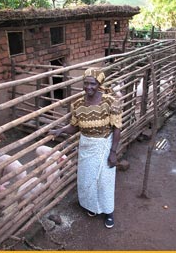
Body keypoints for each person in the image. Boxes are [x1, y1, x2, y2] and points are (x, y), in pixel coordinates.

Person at [48, 68, 122, 228]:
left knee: (104, 181)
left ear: (99, 84)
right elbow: (75, 127)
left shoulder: (110, 101)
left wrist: (113, 152)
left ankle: (108, 212)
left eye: (93, 83)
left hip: (104, 145)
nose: (89, 87)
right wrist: (61, 130)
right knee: (87, 179)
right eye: (86, 83)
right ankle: (93, 207)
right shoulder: (78, 105)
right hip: (86, 146)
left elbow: (116, 128)